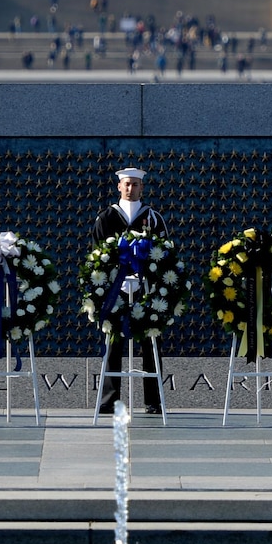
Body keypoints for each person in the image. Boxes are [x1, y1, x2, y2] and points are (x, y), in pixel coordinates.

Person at [92, 167, 169, 415]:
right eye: (127, 184)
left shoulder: (153, 218)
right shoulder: (106, 218)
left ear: (142, 188)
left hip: (145, 289)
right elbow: (97, 255)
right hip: (116, 289)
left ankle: (153, 400)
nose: (130, 189)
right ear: (118, 186)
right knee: (113, 342)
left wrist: (148, 279)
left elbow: (164, 254)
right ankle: (110, 399)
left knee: (150, 342)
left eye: (135, 184)